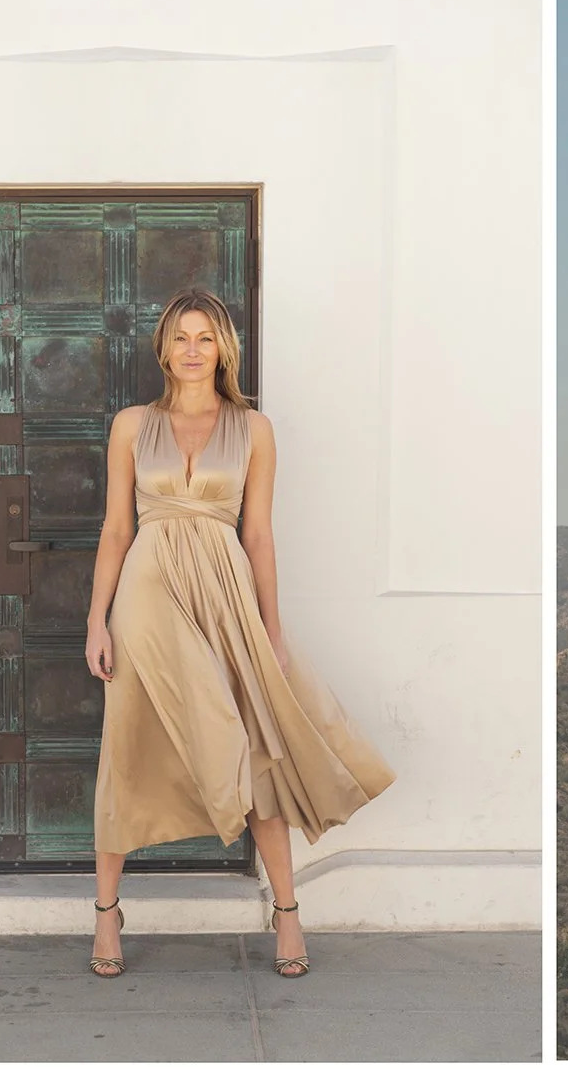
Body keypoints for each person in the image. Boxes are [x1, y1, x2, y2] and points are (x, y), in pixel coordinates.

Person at [81, 288, 396, 979]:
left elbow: (257, 533)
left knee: (253, 746)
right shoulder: (132, 424)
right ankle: (107, 914)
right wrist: (96, 620)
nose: (193, 349)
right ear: (163, 348)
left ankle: (286, 911)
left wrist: (271, 630)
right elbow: (116, 528)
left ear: (224, 348)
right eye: (181, 337)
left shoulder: (254, 430)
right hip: (147, 591)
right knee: (128, 743)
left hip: (225, 596)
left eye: (206, 337)